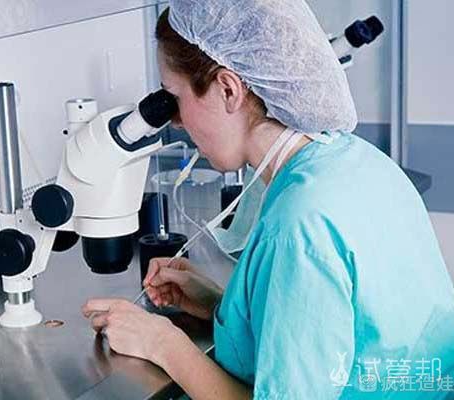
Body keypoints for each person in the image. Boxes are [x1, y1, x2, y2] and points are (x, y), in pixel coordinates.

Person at [82, 1, 454, 398]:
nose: (175, 120)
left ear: (228, 89)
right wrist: (219, 306)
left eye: (175, 98)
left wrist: (162, 342)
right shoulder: (357, 160)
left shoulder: (299, 224)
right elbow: (333, 326)